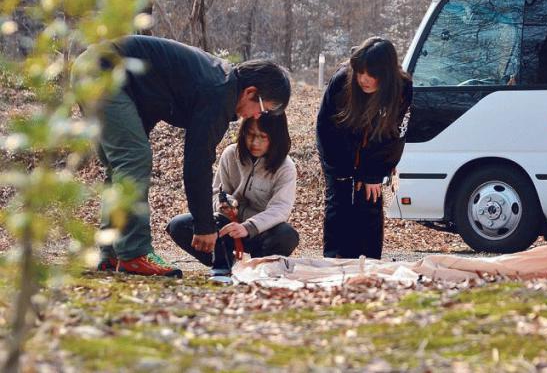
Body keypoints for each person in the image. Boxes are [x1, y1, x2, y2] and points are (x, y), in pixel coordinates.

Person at [72, 35, 290, 277]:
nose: (258, 117)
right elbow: (197, 162)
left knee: (120, 167)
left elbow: (153, 96)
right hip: (103, 72)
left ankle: (111, 253)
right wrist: (205, 226)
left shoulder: (218, 82)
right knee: (134, 159)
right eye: (263, 109)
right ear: (250, 92)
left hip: (94, 69)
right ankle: (134, 253)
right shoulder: (220, 93)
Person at [166, 115, 299, 277]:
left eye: (263, 137)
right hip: (227, 227)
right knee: (178, 225)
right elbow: (216, 191)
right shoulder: (231, 154)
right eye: (250, 134)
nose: (254, 143)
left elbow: (280, 209)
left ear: (276, 137)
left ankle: (259, 267)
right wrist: (222, 203)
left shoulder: (285, 166)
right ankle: (224, 262)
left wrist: (247, 227)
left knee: (287, 235)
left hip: (261, 231)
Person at [316, 37, 412, 259]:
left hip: (376, 150)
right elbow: (326, 129)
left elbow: (396, 135)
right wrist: (340, 171)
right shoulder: (342, 80)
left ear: (386, 75)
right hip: (341, 147)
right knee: (339, 201)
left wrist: (373, 173)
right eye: (360, 72)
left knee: (369, 199)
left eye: (371, 75)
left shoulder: (403, 88)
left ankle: (369, 263)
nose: (364, 79)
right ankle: (335, 262)